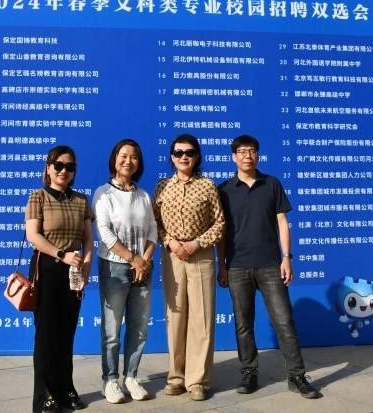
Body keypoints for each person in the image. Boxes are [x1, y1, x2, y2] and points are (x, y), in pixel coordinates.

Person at [216, 135, 322, 399]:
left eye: (252, 150)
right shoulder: (224, 190)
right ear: (233, 157)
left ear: (258, 155)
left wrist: (287, 257)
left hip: (271, 265)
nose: (247, 155)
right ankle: (249, 372)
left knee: (284, 321)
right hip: (237, 266)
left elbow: (282, 222)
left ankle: (297, 376)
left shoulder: (272, 184)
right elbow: (221, 232)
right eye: (242, 151)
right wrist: (222, 266)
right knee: (243, 323)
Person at [152, 133, 225, 401]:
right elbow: (154, 223)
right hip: (172, 255)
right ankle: (176, 377)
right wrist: (170, 241)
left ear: (197, 156)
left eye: (190, 152)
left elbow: (220, 223)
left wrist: (197, 243)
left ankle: (198, 380)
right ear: (172, 157)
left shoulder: (207, 186)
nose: (184, 157)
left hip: (200, 255)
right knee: (176, 316)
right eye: (179, 152)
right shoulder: (162, 187)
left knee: (201, 318)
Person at [25, 145, 94, 412]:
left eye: (70, 167)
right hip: (47, 269)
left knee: (67, 333)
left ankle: (66, 390)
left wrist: (85, 266)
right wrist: (62, 255)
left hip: (74, 271)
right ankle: (45, 397)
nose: (64, 171)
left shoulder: (81, 200)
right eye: (59, 166)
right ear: (48, 168)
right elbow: (33, 235)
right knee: (46, 336)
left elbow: (88, 239)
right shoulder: (38, 196)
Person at [93, 139, 157, 404]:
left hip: (143, 268)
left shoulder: (143, 196)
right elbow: (105, 233)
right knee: (112, 330)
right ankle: (110, 380)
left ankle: (131, 377)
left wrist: (144, 261)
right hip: (114, 267)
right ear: (114, 159)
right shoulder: (103, 193)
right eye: (123, 155)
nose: (128, 161)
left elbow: (153, 230)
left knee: (139, 327)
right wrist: (133, 259)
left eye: (134, 157)